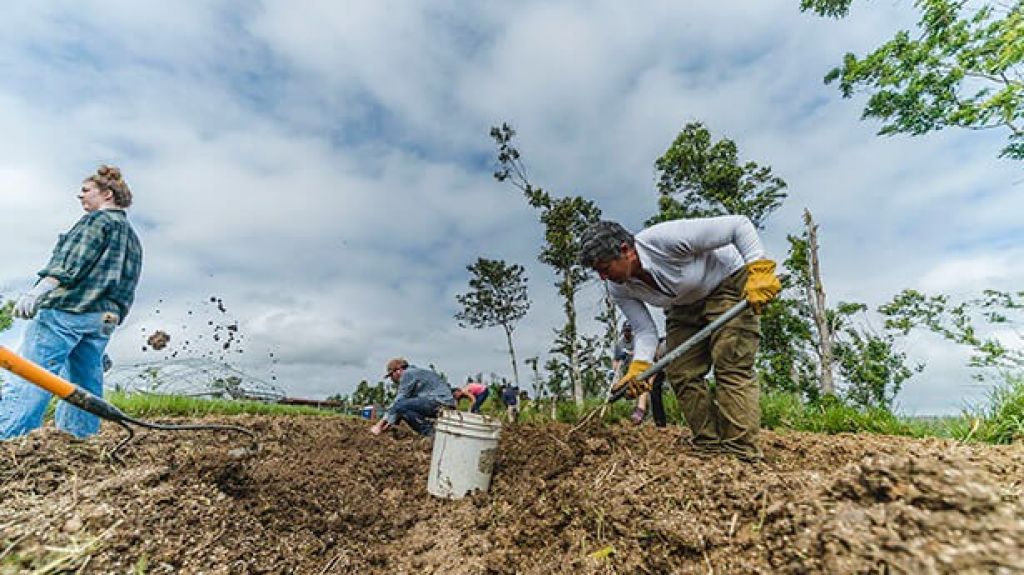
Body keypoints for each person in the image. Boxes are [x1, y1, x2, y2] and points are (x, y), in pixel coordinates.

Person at [579, 216, 781, 461]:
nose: (602, 277)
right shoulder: (618, 287)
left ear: (625, 250)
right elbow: (644, 330)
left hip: (726, 284)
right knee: (681, 371)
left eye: (604, 267)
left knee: (730, 362)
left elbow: (738, 225)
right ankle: (709, 445)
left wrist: (758, 268)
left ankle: (741, 452)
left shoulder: (665, 239)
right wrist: (640, 366)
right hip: (683, 305)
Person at [0, 165, 142, 440]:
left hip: (69, 310)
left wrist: (38, 292)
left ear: (108, 194)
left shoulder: (96, 222)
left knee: (33, 373)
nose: (80, 196)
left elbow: (71, 263)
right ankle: (79, 440)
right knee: (85, 382)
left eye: (86, 190)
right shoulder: (132, 238)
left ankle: (8, 438)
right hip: (104, 319)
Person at [370, 358, 455, 437]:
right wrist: (391, 422)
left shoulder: (408, 374)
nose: (392, 379)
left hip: (439, 402)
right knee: (403, 406)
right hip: (442, 402)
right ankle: (429, 430)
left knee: (400, 405)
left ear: (398, 371)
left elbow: (399, 401)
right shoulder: (417, 373)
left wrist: (379, 425)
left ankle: (430, 433)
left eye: (391, 375)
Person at [611, 321, 650, 425]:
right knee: (628, 392)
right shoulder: (619, 344)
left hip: (640, 369)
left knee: (642, 388)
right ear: (623, 331)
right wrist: (613, 371)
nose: (627, 333)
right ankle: (634, 415)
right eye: (626, 331)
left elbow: (643, 352)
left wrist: (629, 353)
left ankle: (642, 413)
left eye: (629, 330)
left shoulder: (637, 341)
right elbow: (616, 360)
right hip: (628, 371)